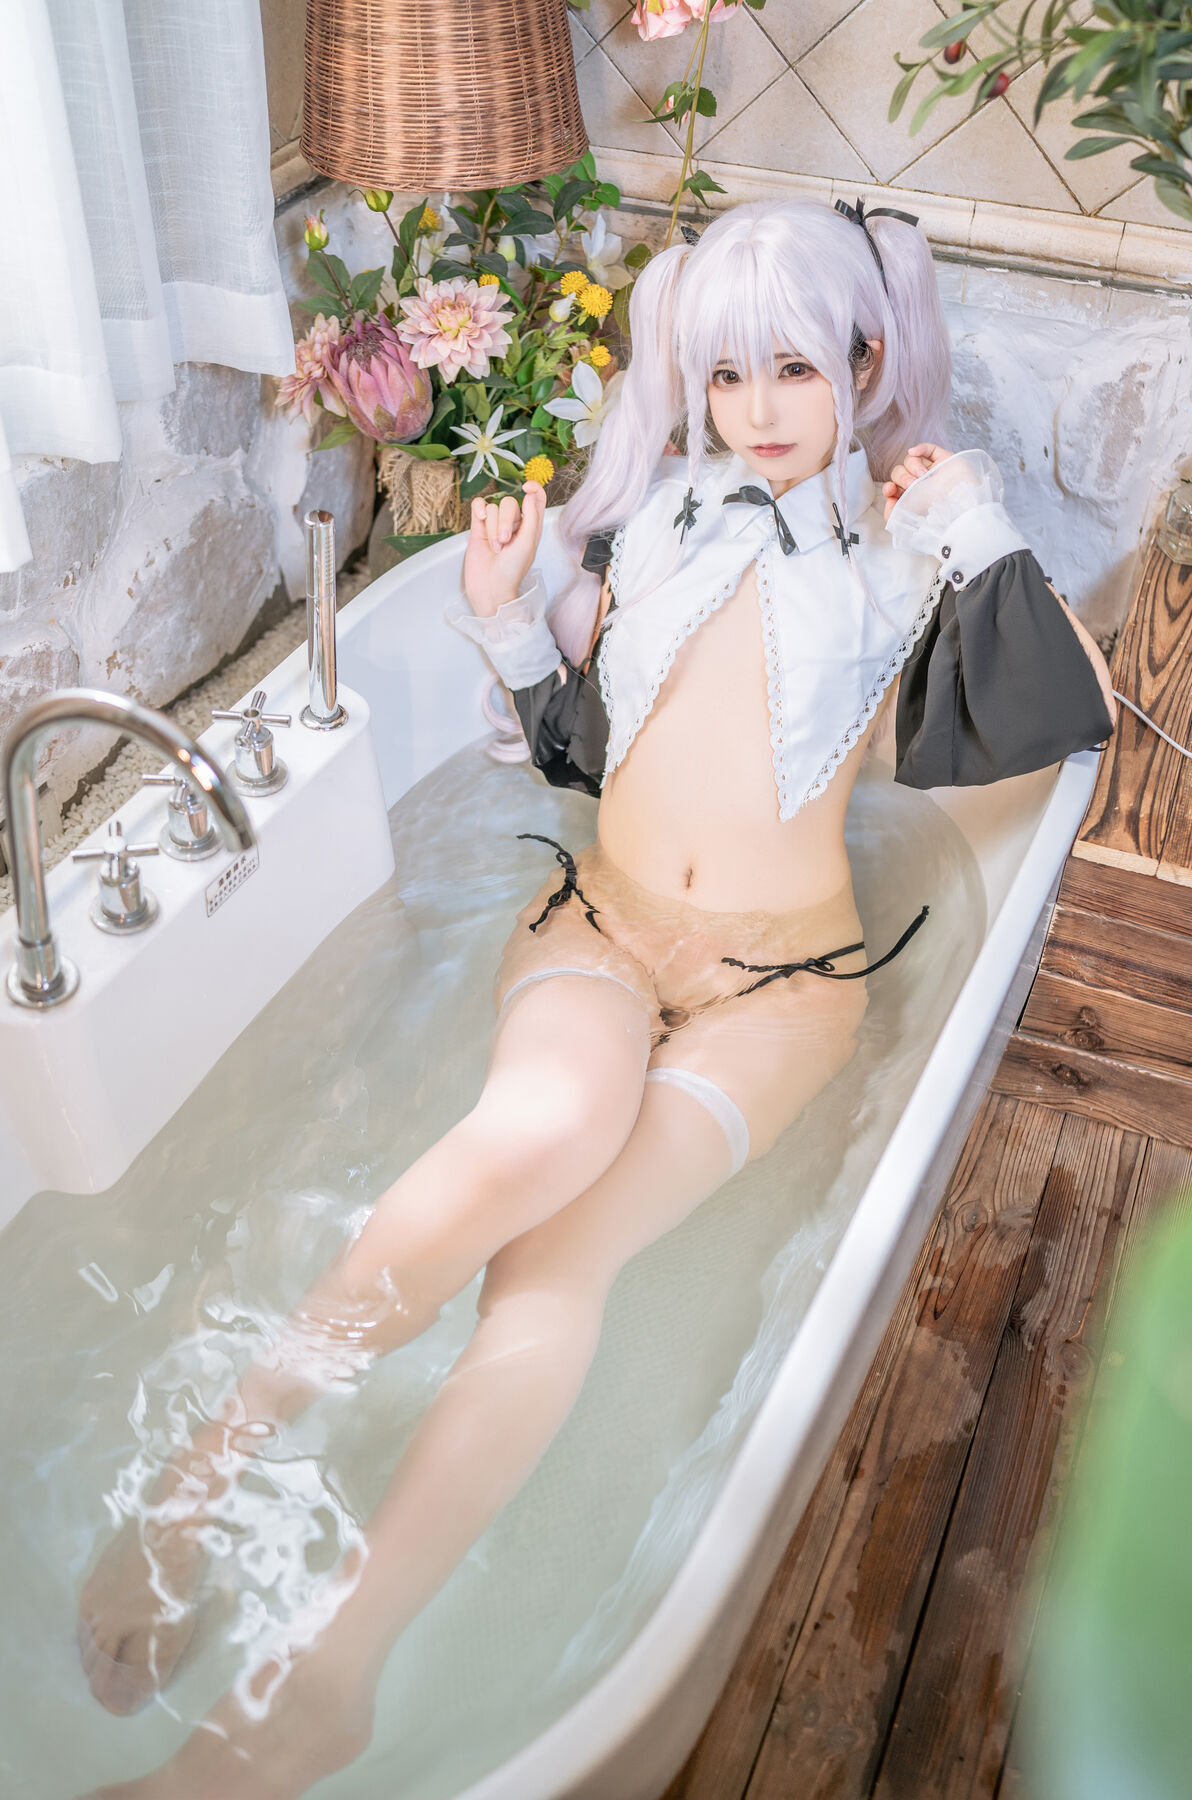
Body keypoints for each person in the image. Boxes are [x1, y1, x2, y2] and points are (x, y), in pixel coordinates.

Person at [74, 197, 1117, 1800]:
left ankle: (328, 1677)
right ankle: (201, 1479)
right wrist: (506, 607)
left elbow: (1059, 718)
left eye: (794, 369)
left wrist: (976, 526)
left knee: (557, 1257)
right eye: (725, 373)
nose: (757, 409)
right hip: (604, 927)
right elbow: (589, 743)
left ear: (864, 360)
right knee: (542, 1127)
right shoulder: (663, 519)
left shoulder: (911, 547)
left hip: (780, 986)